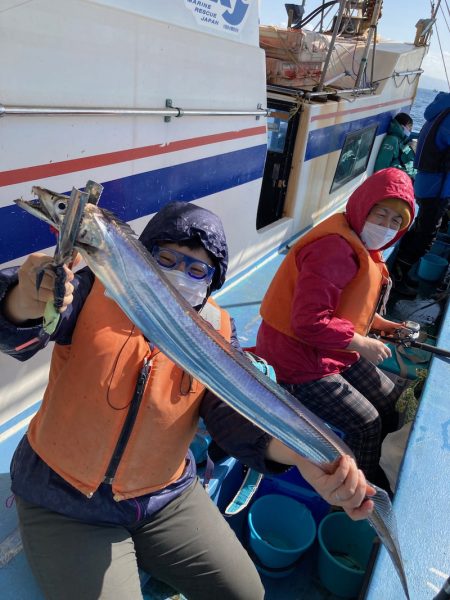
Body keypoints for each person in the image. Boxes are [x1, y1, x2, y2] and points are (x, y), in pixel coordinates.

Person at [0, 201, 374, 600]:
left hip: (163, 498)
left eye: (198, 270)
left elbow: (236, 420)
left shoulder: (216, 332)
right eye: (166, 258)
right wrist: (24, 298)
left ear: (211, 282)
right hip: (65, 498)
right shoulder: (91, 288)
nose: (181, 274)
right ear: (142, 257)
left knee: (247, 593)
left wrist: (304, 456)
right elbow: (21, 332)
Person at [255, 168, 415, 487]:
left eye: (395, 222)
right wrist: (362, 344)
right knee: (366, 422)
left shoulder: (362, 246)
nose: (385, 226)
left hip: (332, 350)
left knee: (393, 400)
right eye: (379, 214)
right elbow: (308, 322)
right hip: (296, 360)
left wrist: (388, 328)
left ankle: (376, 460)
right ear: (362, 206)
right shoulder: (333, 248)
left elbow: (352, 313)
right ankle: (363, 489)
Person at [391, 92, 450, 295]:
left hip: (427, 183)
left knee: (419, 230)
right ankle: (398, 278)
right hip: (438, 187)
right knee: (426, 236)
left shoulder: (441, 108)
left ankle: (400, 273)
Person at [373, 112, 417, 181]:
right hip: (391, 181)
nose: (410, 130)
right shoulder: (392, 140)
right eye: (409, 127)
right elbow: (381, 166)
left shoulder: (401, 140)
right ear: (402, 126)